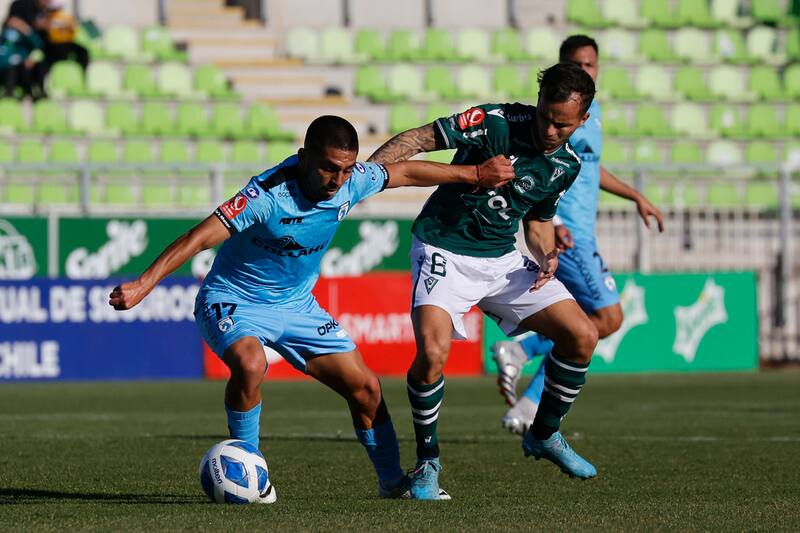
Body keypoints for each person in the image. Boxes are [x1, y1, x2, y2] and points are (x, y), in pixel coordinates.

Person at [108, 115, 515, 502]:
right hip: (233, 298)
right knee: (251, 364)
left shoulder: (351, 181)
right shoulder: (265, 195)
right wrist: (145, 283)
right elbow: (199, 237)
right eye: (328, 168)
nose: (338, 180)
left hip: (297, 307)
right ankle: (250, 467)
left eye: (346, 169)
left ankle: (392, 484)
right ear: (304, 157)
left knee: (367, 389)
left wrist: (474, 175)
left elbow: (405, 172)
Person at [368, 62, 600, 498]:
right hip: (442, 248)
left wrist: (546, 254)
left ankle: (544, 433)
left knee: (582, 335)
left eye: (563, 125)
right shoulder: (493, 123)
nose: (550, 130)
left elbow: (537, 221)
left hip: (501, 261)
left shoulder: (566, 165)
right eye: (546, 117)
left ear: (582, 121)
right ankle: (427, 464)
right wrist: (361, 178)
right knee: (433, 354)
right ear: (537, 103)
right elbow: (417, 139)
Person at [491, 35, 665, 436]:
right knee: (607, 317)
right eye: (577, 65)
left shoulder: (591, 114)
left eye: (591, 65)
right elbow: (551, 169)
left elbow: (590, 167)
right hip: (566, 233)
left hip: (581, 230)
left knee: (585, 324)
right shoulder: (556, 116)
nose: (584, 71)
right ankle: (525, 368)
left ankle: (528, 398)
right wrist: (557, 224)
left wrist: (634, 195)